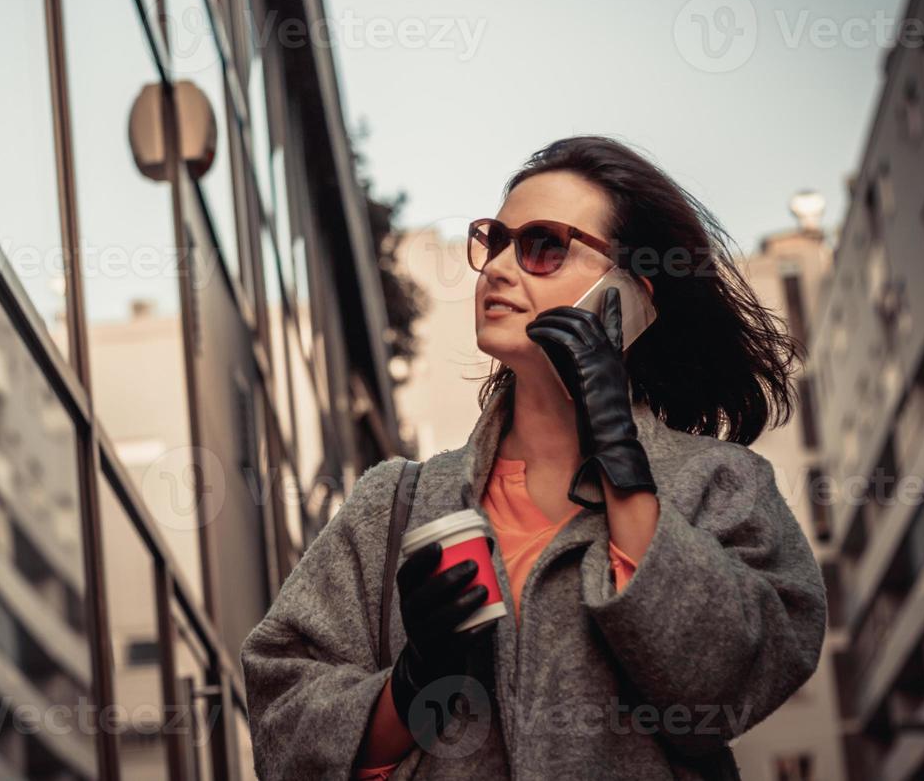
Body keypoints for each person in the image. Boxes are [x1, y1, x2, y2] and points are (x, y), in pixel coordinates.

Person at [240, 136, 827, 780]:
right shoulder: (393, 505)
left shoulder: (720, 485)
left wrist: (624, 469)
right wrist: (414, 684)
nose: (496, 268)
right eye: (495, 241)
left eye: (542, 245)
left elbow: (724, 688)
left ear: (629, 297)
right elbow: (282, 721)